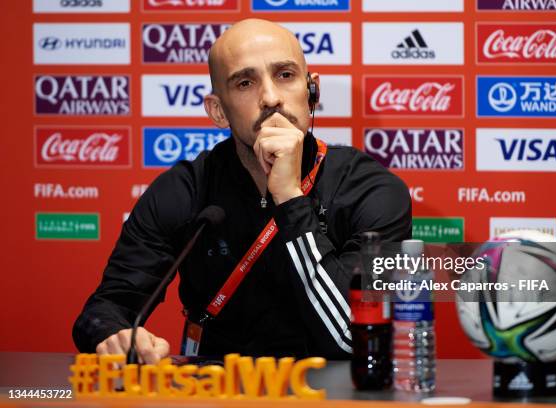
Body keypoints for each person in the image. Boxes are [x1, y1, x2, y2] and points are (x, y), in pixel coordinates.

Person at [73, 19, 411, 363]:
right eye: (245, 83)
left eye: (285, 75)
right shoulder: (186, 188)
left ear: (312, 93)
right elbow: (103, 309)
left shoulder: (370, 190)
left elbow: (353, 339)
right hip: (216, 393)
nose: (270, 98)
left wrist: (290, 198)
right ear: (218, 111)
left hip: (332, 395)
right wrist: (113, 335)